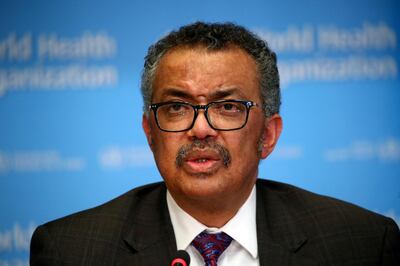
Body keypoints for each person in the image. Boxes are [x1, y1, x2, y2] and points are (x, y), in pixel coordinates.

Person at [30, 22, 400, 266]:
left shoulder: (361, 244)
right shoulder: (72, 251)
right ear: (150, 133)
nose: (201, 129)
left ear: (267, 136)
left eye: (227, 107)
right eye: (177, 107)